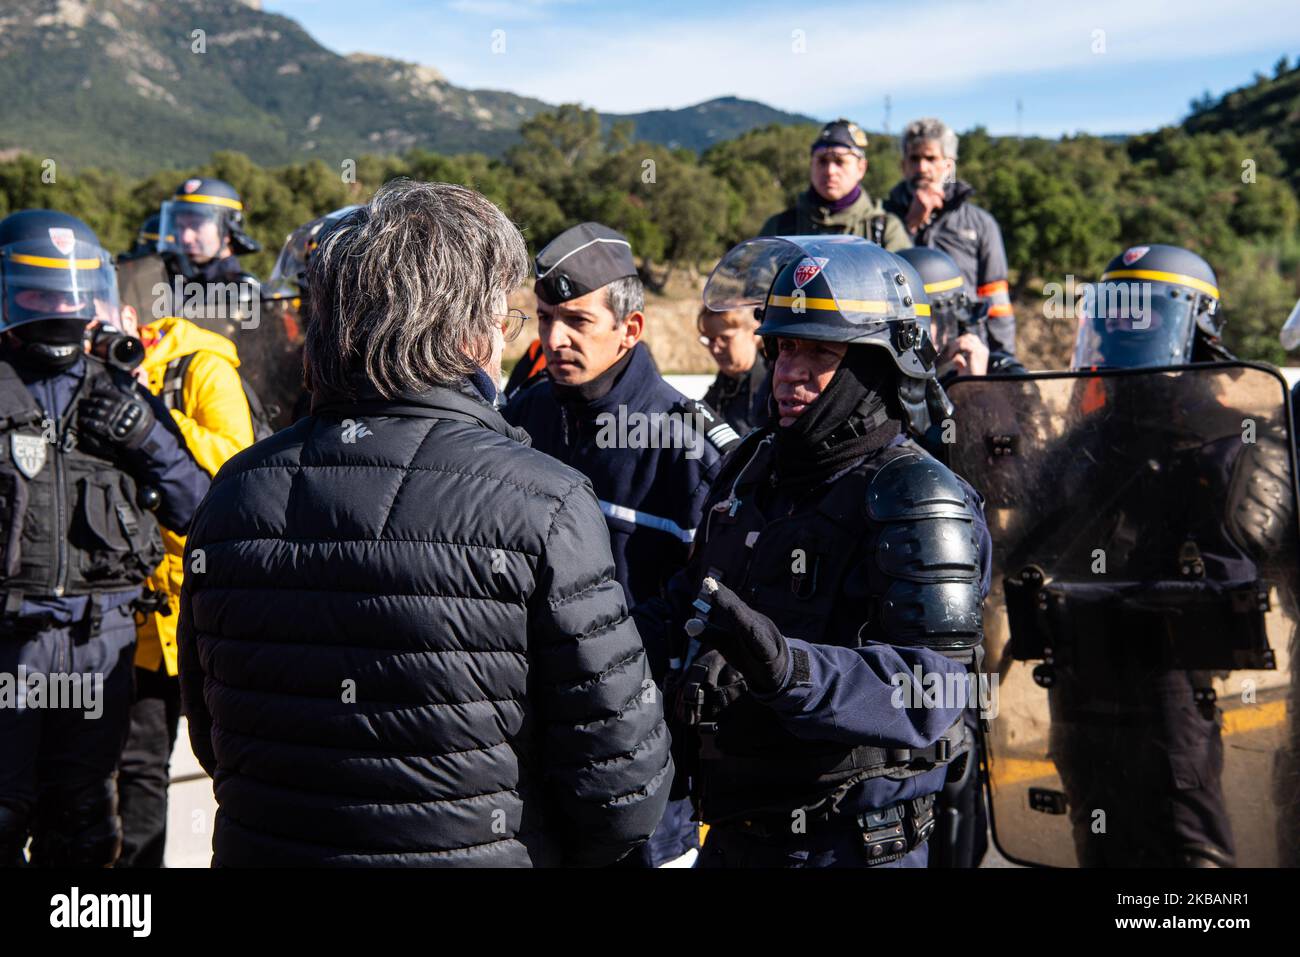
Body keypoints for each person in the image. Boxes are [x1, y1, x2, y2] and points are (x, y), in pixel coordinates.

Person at [176, 180, 672, 867]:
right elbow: (624, 792)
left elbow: (211, 735)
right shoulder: (544, 500)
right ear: (469, 330)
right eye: (505, 321)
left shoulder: (233, 491)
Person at [637, 236, 991, 868]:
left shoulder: (916, 495)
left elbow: (934, 693)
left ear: (877, 367)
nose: (790, 372)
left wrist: (787, 667)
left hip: (849, 851)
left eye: (820, 353)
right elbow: (689, 598)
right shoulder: (752, 467)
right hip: (734, 836)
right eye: (784, 347)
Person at [504, 221, 734, 867]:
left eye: (577, 321)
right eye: (545, 317)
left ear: (630, 330)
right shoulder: (522, 419)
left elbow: (712, 624)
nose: (553, 340)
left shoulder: (693, 452)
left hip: (643, 769)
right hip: (528, 762)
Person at [0, 209, 210, 866]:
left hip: (101, 646)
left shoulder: (118, 389)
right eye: (39, 290)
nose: (59, 306)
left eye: (71, 290)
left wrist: (146, 437)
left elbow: (200, 508)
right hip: (9, 648)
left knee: (87, 831)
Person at [114, 301, 257, 867]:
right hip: (130, 612)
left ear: (130, 315)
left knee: (200, 762)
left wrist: (150, 412)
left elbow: (235, 464)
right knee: (128, 768)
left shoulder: (200, 367)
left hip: (193, 608)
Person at [884, 118, 1016, 358]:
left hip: (965, 351)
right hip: (900, 352)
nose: (922, 167)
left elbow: (996, 301)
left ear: (948, 166)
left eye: (931, 158)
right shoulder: (883, 220)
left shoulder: (980, 223)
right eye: (914, 159)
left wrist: (1003, 359)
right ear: (904, 166)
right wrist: (909, 226)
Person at [759, 119, 910, 251]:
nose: (830, 171)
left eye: (840, 161)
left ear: (861, 168)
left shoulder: (884, 230)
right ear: (811, 164)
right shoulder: (780, 229)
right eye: (822, 161)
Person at [156, 177, 261, 340]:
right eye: (180, 226)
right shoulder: (173, 279)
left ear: (227, 229)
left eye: (196, 225)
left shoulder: (241, 292)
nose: (185, 237)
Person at [698, 305, 770, 435]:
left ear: (755, 333)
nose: (715, 349)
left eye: (725, 338)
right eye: (710, 340)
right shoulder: (718, 391)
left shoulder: (774, 391)